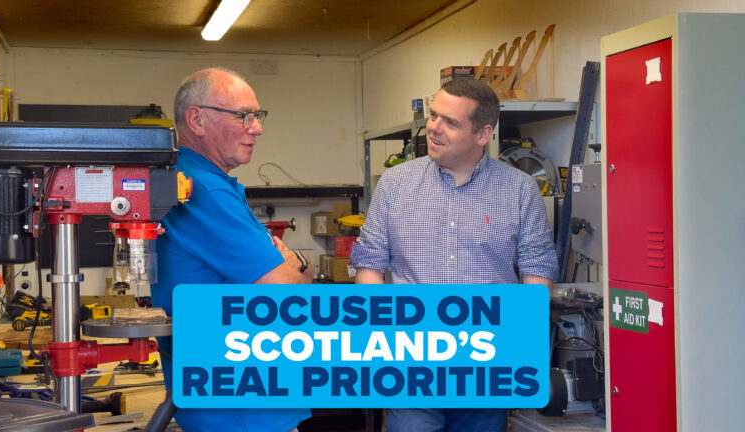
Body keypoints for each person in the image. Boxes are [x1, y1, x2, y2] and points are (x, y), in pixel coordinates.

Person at [351, 78, 558, 432]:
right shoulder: (394, 184)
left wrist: (518, 345)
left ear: (482, 134)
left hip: (486, 363)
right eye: (434, 116)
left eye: (451, 122)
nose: (434, 128)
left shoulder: (520, 190)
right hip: (412, 361)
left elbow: (537, 270)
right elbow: (369, 262)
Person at [151, 67, 313, 432]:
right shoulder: (206, 193)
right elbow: (286, 294)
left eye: (257, 116)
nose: (256, 128)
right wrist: (294, 266)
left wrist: (295, 264)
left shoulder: (195, 183)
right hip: (243, 410)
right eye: (243, 116)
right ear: (197, 120)